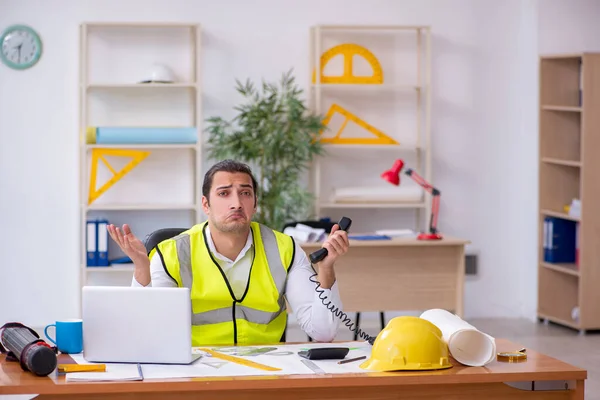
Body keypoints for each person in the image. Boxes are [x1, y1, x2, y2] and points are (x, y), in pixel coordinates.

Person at [107, 159, 349, 346]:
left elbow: (323, 332)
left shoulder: (285, 248)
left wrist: (326, 269)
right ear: (205, 205)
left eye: (245, 193)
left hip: (267, 370)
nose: (237, 203)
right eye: (224, 193)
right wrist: (142, 269)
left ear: (255, 203)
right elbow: (150, 332)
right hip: (197, 368)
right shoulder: (170, 253)